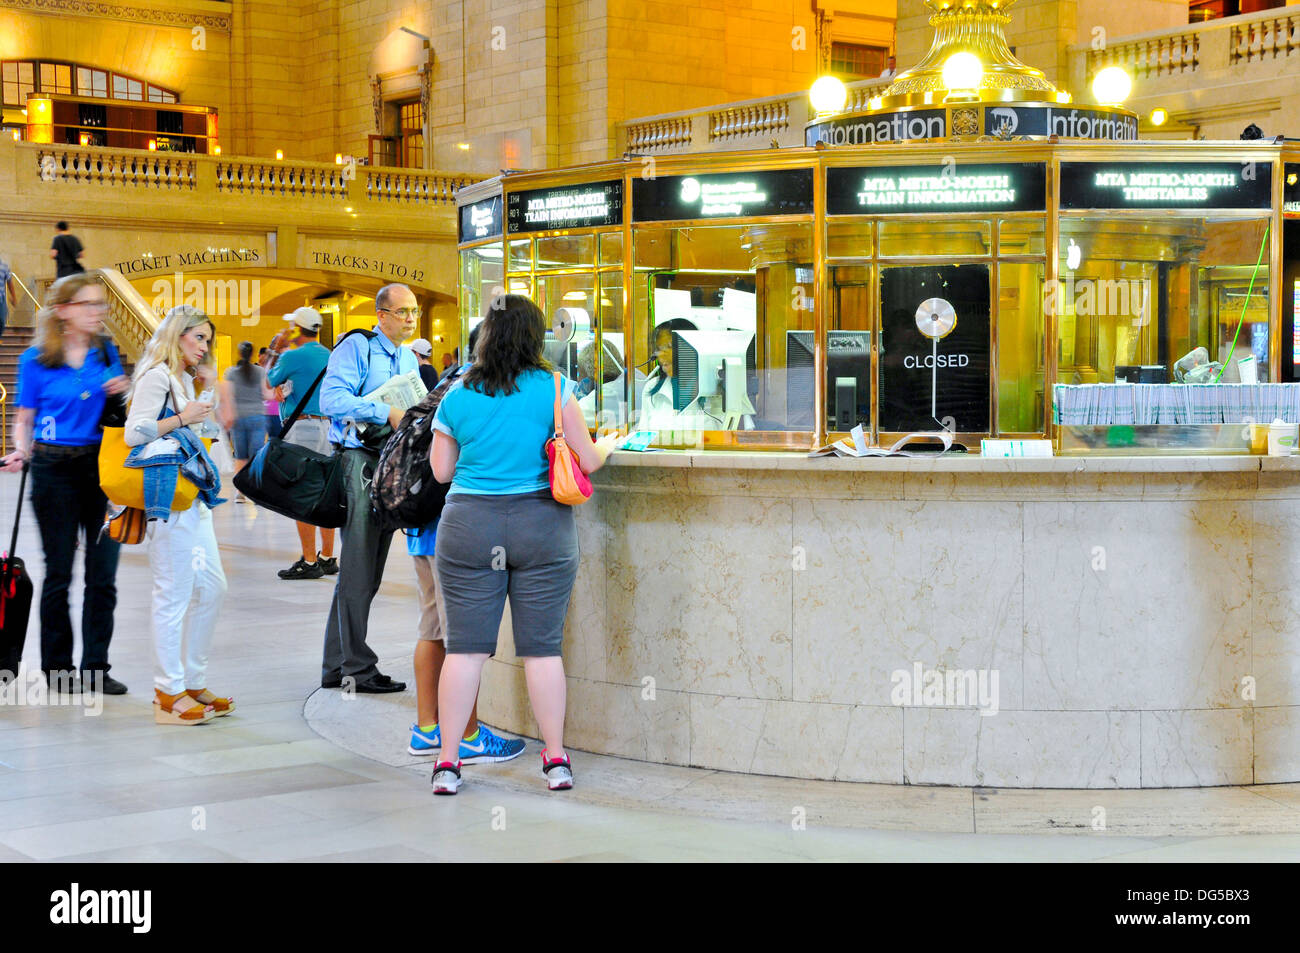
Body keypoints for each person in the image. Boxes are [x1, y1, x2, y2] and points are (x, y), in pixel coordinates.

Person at [428, 294, 617, 795]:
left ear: (486, 333)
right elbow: (590, 461)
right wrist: (611, 443)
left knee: (465, 652)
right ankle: (555, 760)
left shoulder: (458, 391)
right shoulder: (557, 388)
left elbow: (442, 471)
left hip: (469, 528)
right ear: (537, 336)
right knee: (541, 650)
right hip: (542, 527)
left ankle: (447, 765)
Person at [1, 272, 128, 693]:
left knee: (103, 574)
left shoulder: (108, 351)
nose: (98, 312)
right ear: (62, 310)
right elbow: (25, 418)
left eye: (100, 305)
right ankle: (58, 668)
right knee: (59, 574)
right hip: (53, 469)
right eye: (88, 304)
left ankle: (96, 667)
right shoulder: (35, 359)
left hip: (102, 470)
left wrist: (123, 391)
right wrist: (22, 450)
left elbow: (121, 414)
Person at [124, 304, 232, 725]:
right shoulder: (156, 377)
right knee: (173, 592)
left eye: (208, 339)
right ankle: (167, 692)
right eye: (197, 337)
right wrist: (182, 416)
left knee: (212, 588)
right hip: (168, 497)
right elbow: (135, 432)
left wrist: (203, 397)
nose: (204, 346)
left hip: (195, 496)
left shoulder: (186, 380)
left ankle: (192, 680)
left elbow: (209, 438)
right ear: (176, 336)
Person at [317, 283, 420, 694]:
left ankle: (336, 664)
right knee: (359, 569)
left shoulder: (408, 356)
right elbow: (331, 399)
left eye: (414, 311)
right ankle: (356, 669)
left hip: (389, 464)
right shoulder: (357, 348)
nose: (410, 318)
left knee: (366, 573)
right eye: (402, 312)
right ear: (382, 315)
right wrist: (385, 411)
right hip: (359, 463)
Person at [266, 307, 337, 579]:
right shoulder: (329, 355)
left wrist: (275, 349)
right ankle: (328, 556)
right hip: (328, 427)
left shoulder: (293, 356)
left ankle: (309, 561)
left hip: (303, 428)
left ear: (297, 328)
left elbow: (269, 378)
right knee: (323, 492)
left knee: (301, 494)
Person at [218, 341, 267, 500]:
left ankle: (240, 492)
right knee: (255, 456)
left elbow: (226, 396)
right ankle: (257, 492)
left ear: (239, 354)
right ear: (253, 354)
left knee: (240, 456)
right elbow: (266, 394)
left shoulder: (231, 373)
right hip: (257, 417)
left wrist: (227, 415)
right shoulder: (260, 371)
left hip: (238, 418)